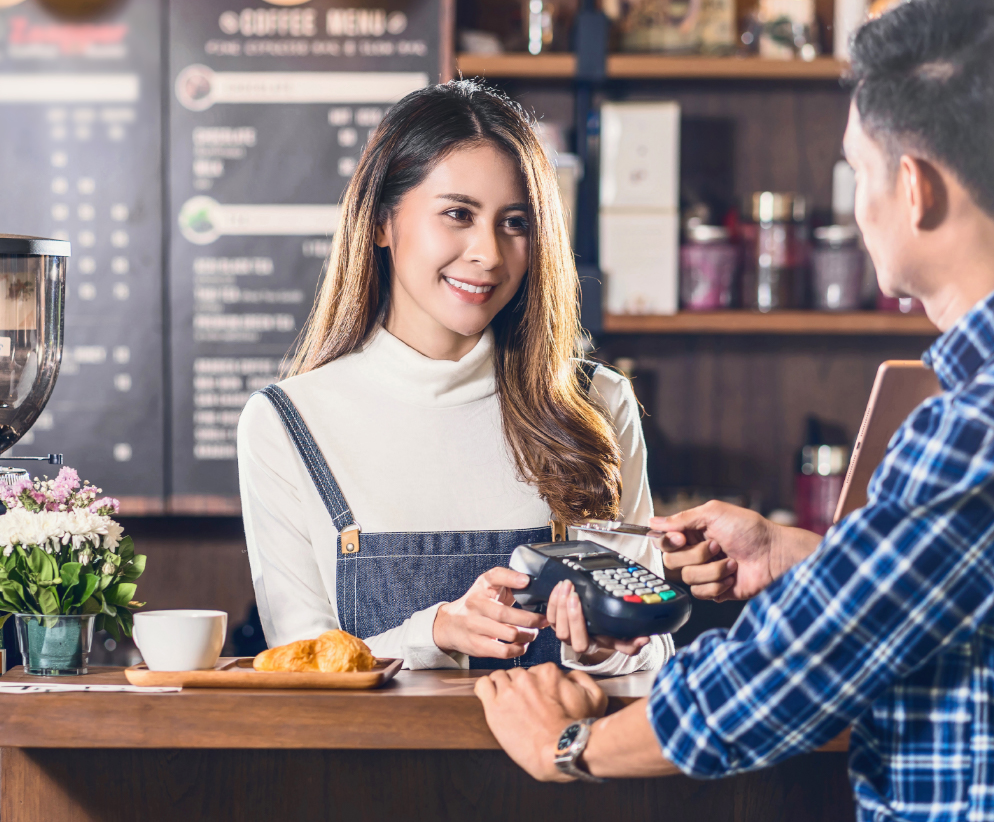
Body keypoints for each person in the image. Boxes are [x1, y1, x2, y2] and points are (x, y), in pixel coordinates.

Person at [477, 0, 994, 822]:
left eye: (859, 171)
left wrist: (570, 749)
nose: (857, 206)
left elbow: (780, 677)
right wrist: (805, 554)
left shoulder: (987, 421)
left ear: (917, 188)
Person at [237, 81, 670, 672]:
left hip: (553, 759)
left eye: (513, 222)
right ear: (383, 222)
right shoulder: (288, 422)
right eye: (458, 214)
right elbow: (302, 662)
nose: (488, 253)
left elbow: (653, 653)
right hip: (369, 765)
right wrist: (433, 631)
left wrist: (597, 649)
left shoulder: (595, 402)